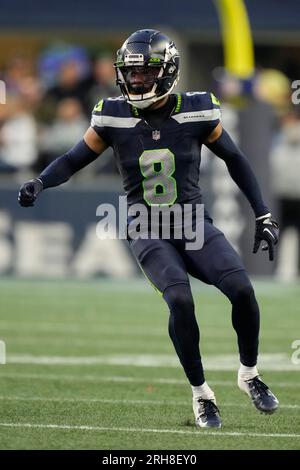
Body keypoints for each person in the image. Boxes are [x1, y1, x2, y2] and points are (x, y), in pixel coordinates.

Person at [18, 29, 280, 429]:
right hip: (147, 226)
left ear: (168, 71)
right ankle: (202, 395)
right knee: (180, 300)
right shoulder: (112, 114)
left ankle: (249, 375)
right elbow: (73, 158)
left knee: (243, 289)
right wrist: (41, 181)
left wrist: (262, 213)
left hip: (192, 221)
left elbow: (235, 159)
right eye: (131, 73)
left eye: (145, 73)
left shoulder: (196, 109)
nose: (136, 81)